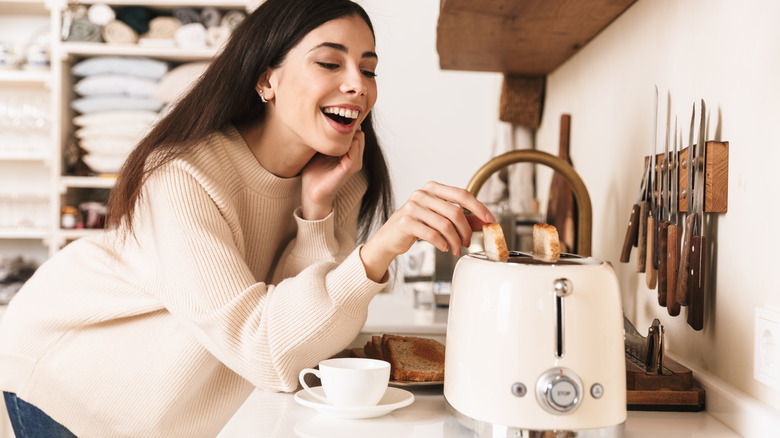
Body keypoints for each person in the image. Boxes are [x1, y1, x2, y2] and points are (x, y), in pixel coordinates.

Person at [0, 0, 495, 436]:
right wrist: (379, 249)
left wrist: (316, 214)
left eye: (368, 70)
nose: (356, 85)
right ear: (265, 78)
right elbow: (267, 353)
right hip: (75, 380)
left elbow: (296, 341)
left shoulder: (339, 176)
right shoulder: (182, 176)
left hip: (176, 408)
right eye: (329, 62)